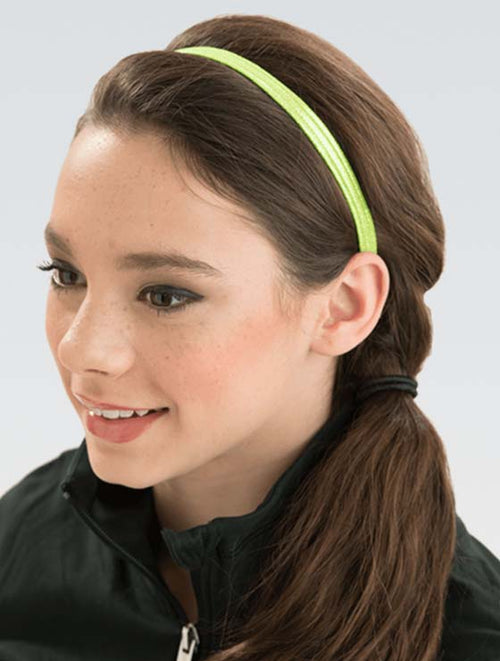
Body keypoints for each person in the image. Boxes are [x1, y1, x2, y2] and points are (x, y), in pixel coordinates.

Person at [1, 12, 499, 661]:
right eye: (67, 274)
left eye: (166, 295)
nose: (80, 350)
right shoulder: (19, 549)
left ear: (344, 306)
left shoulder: (469, 637)